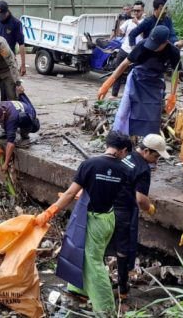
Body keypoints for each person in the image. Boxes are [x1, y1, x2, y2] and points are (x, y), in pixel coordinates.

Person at [35, 131, 133, 315]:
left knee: (92, 261)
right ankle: (78, 290)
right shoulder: (125, 170)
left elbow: (71, 194)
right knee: (84, 252)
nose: (125, 157)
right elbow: (119, 196)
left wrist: (50, 211)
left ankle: (105, 308)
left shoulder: (89, 165)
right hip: (108, 218)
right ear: (123, 150)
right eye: (126, 154)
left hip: (92, 219)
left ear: (108, 144)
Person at [108, 134, 168, 300]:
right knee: (123, 251)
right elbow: (140, 199)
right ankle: (123, 291)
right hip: (124, 212)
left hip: (107, 207)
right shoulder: (142, 169)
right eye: (155, 156)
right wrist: (150, 208)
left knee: (100, 247)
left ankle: (90, 286)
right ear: (147, 151)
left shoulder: (125, 156)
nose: (156, 160)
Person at [98, 26, 180, 137]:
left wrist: (173, 95)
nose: (152, 47)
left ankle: (147, 143)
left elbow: (176, 73)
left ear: (165, 42)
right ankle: (118, 138)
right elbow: (124, 64)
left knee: (152, 117)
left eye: (156, 45)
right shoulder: (143, 45)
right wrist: (107, 83)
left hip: (155, 84)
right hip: (136, 80)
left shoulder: (173, 52)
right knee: (123, 113)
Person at [0, 86, 40, 171]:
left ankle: (25, 133)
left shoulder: (12, 118)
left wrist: (5, 164)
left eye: (0, 120)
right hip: (15, 112)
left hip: (29, 116)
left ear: (4, 113)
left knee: (24, 121)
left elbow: (11, 145)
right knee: (6, 125)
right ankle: (11, 131)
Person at [110, 1, 145, 99]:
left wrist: (137, 24)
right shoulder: (128, 22)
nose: (136, 13)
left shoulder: (145, 22)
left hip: (135, 52)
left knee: (131, 76)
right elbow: (119, 34)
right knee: (118, 71)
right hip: (124, 49)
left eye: (138, 11)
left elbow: (145, 35)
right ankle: (114, 94)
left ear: (143, 11)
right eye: (134, 10)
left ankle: (128, 96)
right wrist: (117, 22)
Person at [0, 0, 26, 78]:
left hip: (9, 60)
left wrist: (23, 65)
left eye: (2, 14)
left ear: (7, 12)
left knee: (9, 88)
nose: (0, 16)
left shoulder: (16, 23)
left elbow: (21, 44)